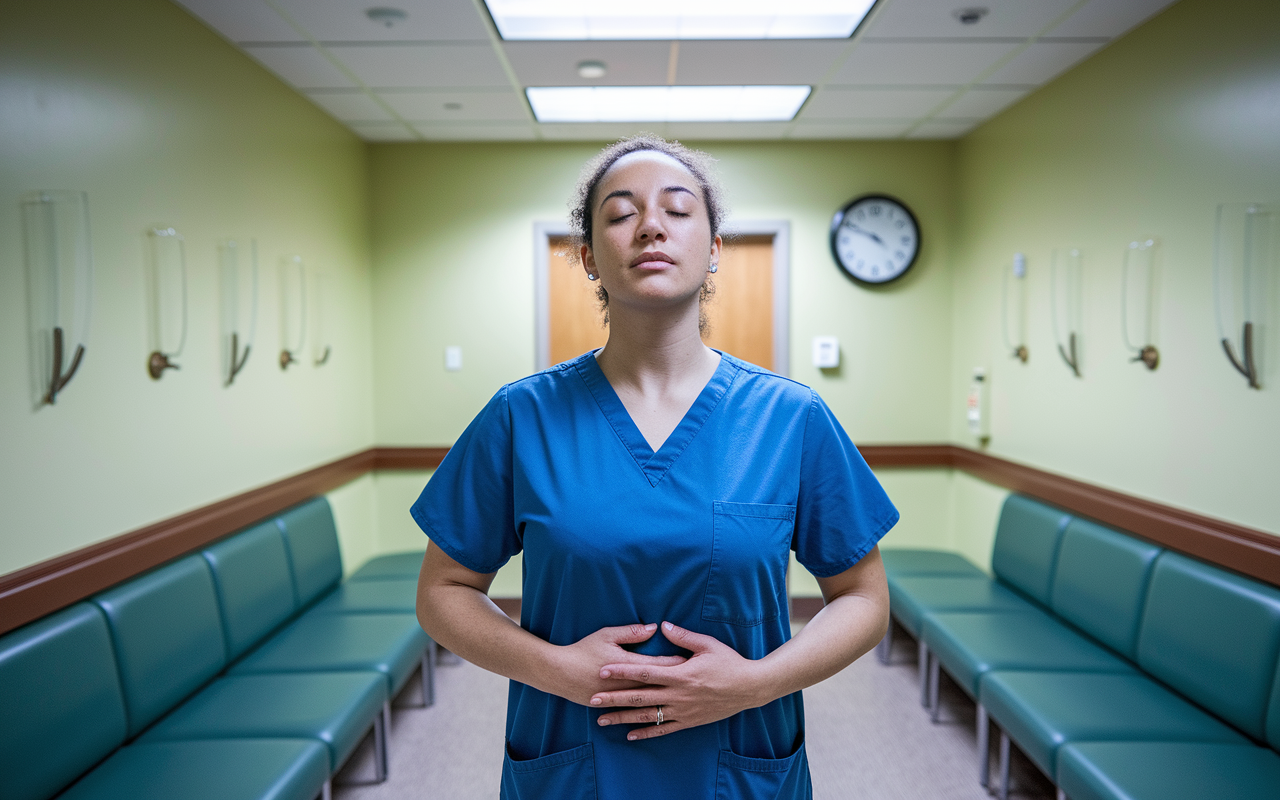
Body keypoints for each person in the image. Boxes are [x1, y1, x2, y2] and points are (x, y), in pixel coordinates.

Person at [413, 134, 897, 799]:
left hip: (740, 761)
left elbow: (865, 598)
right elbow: (442, 593)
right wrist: (555, 669)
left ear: (715, 248)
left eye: (677, 209)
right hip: (574, 763)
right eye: (619, 214)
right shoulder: (521, 416)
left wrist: (758, 682)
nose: (650, 227)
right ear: (588, 258)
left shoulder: (790, 418)